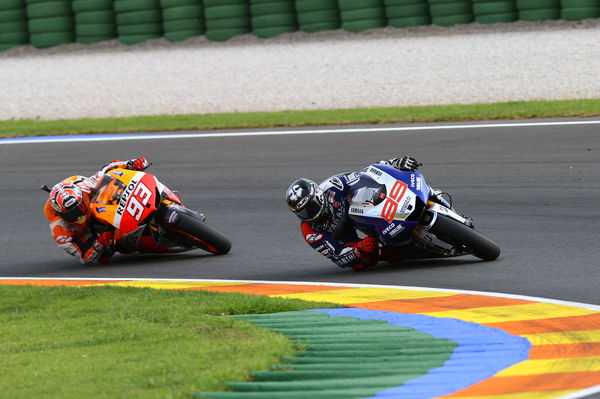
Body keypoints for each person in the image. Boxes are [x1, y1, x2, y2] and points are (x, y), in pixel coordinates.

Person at [285, 156, 422, 271]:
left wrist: (395, 163)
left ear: (319, 196)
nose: (308, 214)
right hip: (344, 235)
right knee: (362, 263)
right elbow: (337, 256)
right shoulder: (310, 232)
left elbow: (369, 173)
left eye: (311, 207)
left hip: (359, 210)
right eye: (302, 212)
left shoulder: (334, 186)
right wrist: (358, 249)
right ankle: (392, 250)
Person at [43, 158, 149, 264]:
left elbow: (106, 169)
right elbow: (85, 258)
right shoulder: (60, 231)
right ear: (61, 214)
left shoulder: (84, 187)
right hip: (86, 231)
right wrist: (99, 243)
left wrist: (131, 164)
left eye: (78, 208)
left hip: (95, 204)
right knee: (105, 256)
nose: (78, 216)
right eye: (70, 214)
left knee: (115, 184)